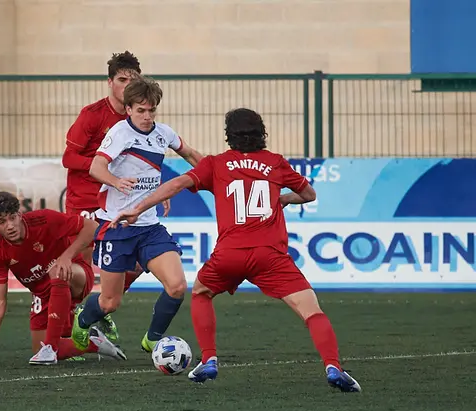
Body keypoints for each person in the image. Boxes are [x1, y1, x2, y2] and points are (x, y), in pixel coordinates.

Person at [111, 108, 361, 392]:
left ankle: (209, 359)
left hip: (229, 254)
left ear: (229, 136)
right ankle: (333, 366)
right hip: (270, 255)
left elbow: (178, 184)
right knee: (312, 311)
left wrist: (138, 208)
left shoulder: (217, 164)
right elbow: (309, 194)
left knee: (202, 293)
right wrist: (284, 199)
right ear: (261, 133)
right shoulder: (275, 163)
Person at [70, 76, 204, 354]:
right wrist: (116, 181)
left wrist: (219, 172)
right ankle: (83, 318)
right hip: (116, 226)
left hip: (149, 227)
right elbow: (96, 167)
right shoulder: (120, 133)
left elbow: (191, 154)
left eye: (151, 110)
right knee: (109, 303)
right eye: (140, 110)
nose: (147, 116)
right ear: (128, 109)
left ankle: (152, 339)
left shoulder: (163, 133)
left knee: (177, 286)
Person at [63, 52, 164, 343]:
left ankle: (98, 308)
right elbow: (69, 157)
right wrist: (103, 166)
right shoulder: (92, 115)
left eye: (132, 80)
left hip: (121, 203)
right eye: (121, 79)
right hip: (86, 201)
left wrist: (156, 191)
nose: (126, 85)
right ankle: (67, 331)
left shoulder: (140, 117)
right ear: (110, 82)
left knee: (136, 264)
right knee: (81, 270)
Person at [0, 192, 126, 366]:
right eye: (2, 222)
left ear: (20, 215)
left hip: (75, 276)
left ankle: (50, 348)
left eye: (12, 218)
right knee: (38, 347)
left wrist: (66, 256)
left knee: (56, 271)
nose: (10, 226)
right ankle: (94, 343)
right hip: (43, 294)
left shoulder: (43, 220)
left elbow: (92, 227)